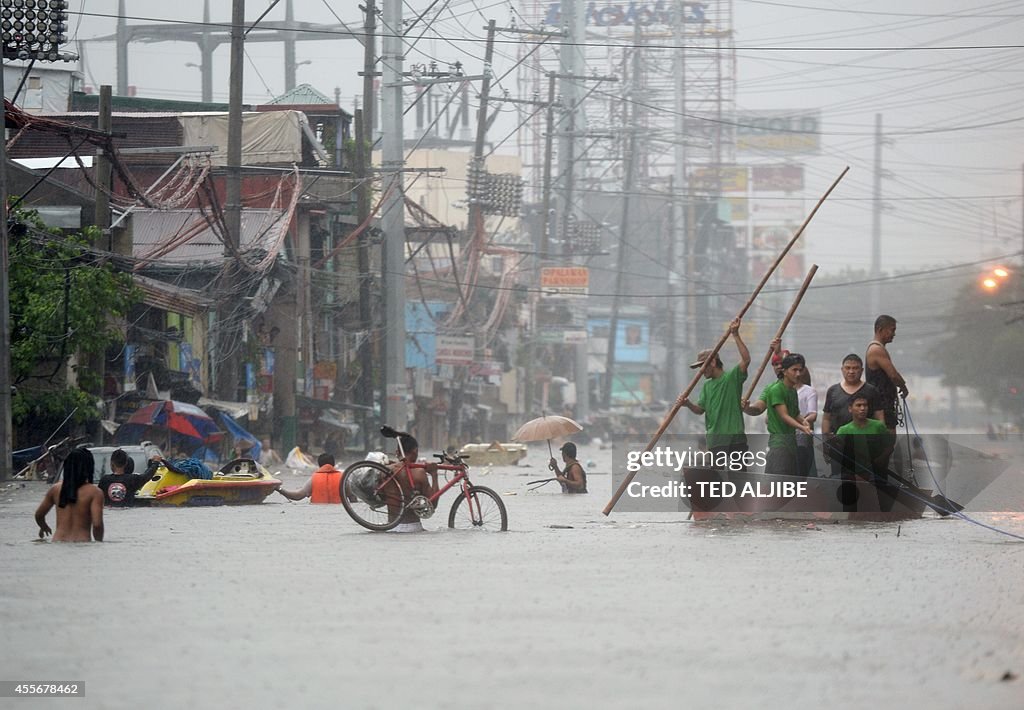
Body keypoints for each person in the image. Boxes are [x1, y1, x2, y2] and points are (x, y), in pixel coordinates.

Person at [676, 317, 751, 468]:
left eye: (702, 366)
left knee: (739, 480)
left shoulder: (731, 378)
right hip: (716, 441)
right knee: (717, 481)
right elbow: (700, 410)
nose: (701, 371)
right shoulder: (707, 386)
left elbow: (746, 360)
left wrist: (735, 334)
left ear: (712, 362)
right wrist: (688, 404)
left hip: (735, 438)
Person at [743, 353, 813, 475]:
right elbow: (784, 415)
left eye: (800, 370)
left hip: (791, 445)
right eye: (794, 370)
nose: (798, 374)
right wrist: (802, 427)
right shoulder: (775, 389)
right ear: (785, 371)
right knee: (777, 487)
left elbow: (794, 413)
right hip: (779, 445)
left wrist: (803, 421)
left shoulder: (792, 391)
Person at [821, 354, 884, 477]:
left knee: (865, 483)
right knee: (840, 481)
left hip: (864, 447)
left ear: (861, 370)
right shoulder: (833, 391)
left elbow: (880, 418)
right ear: (842, 369)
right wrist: (826, 443)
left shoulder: (871, 391)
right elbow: (826, 418)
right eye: (848, 368)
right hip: (839, 446)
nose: (851, 371)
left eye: (855, 368)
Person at [34, 447, 104, 542]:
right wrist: (99, 543)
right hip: (82, 544)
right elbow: (97, 525)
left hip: (58, 543)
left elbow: (39, 515)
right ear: (89, 467)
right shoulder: (95, 492)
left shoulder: (55, 489)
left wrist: (44, 526)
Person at [386, 434, 439, 532]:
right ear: (415, 451)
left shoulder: (386, 471)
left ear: (397, 452)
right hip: (412, 527)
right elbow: (433, 504)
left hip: (390, 528)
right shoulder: (419, 473)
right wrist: (434, 475)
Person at [835, 394, 895, 480]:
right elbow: (838, 453)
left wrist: (879, 461)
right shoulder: (844, 430)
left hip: (876, 474)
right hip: (852, 474)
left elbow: (889, 447)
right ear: (850, 409)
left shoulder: (878, 426)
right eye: (858, 405)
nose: (862, 409)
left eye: (865, 405)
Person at [865, 315, 908, 431]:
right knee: (887, 440)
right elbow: (893, 375)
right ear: (880, 330)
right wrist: (903, 386)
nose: (894, 334)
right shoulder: (876, 350)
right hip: (880, 404)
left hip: (885, 402)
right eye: (892, 330)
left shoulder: (879, 349)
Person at [278, 453, 345, 503]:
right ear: (333, 464)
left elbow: (298, 496)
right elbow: (352, 499)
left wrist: (279, 489)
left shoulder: (314, 479)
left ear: (319, 465)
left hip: (318, 513)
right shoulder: (343, 478)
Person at [796, 367, 818, 476]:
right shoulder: (779, 390)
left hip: (802, 439)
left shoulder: (809, 391)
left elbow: (812, 414)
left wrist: (802, 422)